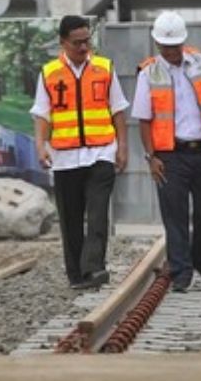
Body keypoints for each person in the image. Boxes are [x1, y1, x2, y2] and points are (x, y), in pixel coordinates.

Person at [31, 15, 129, 290]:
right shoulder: (49, 73)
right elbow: (42, 114)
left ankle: (94, 268)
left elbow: (118, 110)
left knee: (98, 213)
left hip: (101, 153)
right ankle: (76, 274)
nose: (84, 47)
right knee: (71, 219)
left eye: (87, 41)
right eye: (77, 43)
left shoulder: (104, 68)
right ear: (63, 43)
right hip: (64, 157)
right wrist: (41, 145)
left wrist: (122, 147)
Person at [131, 11, 201, 293]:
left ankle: (200, 257)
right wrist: (151, 157)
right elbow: (144, 120)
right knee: (175, 215)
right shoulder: (149, 73)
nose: (171, 51)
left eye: (175, 45)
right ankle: (182, 270)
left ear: (184, 41)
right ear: (157, 44)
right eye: (165, 46)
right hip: (170, 155)